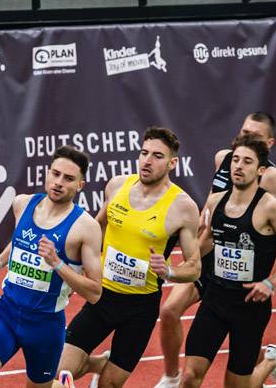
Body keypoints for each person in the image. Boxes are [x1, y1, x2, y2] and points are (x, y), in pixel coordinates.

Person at [156, 112, 276, 388]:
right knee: (190, 376)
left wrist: (271, 281)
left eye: (247, 161)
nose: (238, 165)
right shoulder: (217, 197)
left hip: (250, 306)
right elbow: (207, 240)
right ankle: (171, 377)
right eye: (236, 159)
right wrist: (177, 269)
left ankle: (269, 361)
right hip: (215, 296)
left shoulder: (271, 202)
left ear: (260, 169)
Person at [57, 127, 202, 388]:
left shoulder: (183, 207)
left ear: (172, 163)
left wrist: (169, 272)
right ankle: (97, 363)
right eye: (144, 153)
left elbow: (194, 268)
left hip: (140, 308)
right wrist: (79, 269)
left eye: (157, 156)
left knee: (110, 384)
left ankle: (104, 370)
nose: (147, 161)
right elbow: (97, 228)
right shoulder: (117, 185)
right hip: (102, 297)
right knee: (62, 371)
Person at [0, 146, 104, 387]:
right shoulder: (22, 203)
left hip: (44, 326)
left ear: (80, 185)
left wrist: (57, 263)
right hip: (6, 314)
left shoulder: (85, 227)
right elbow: (18, 242)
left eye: (68, 178)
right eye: (55, 174)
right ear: (47, 173)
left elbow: (95, 292)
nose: (59, 182)